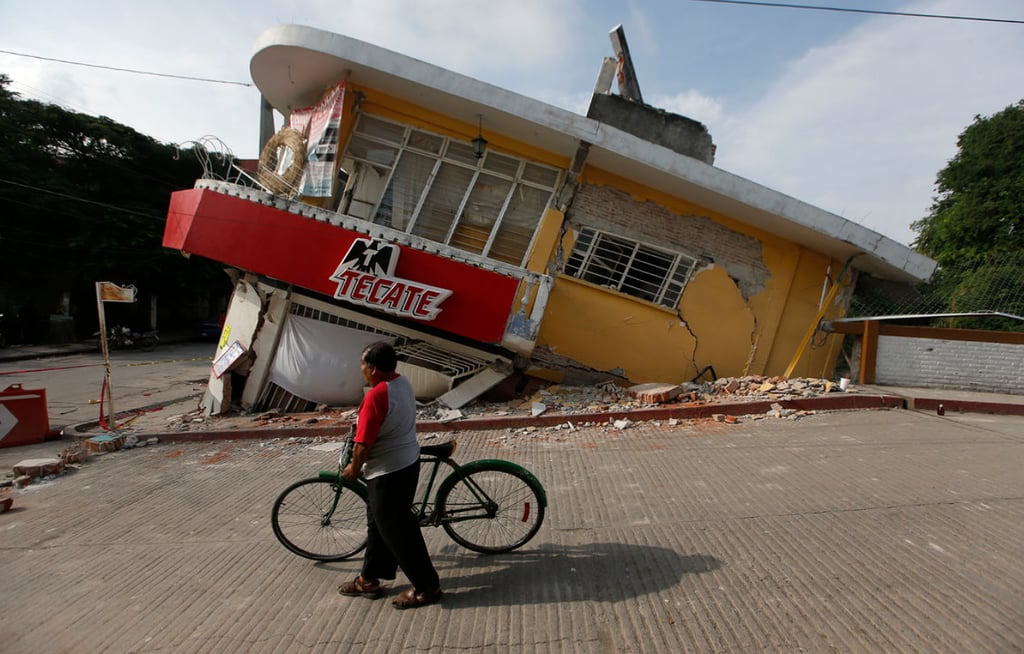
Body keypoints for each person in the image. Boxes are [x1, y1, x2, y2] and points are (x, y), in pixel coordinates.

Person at [338, 341, 443, 609]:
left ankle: (426, 587)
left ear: (372, 369)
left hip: (389, 471)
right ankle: (368, 579)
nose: (360, 369)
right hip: (406, 461)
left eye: (362, 364)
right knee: (378, 525)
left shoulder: (376, 396)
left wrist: (354, 467)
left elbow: (363, 444)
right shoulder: (402, 382)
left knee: (400, 533)